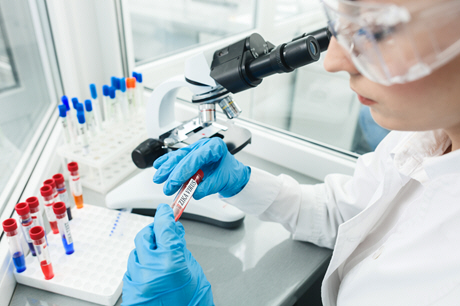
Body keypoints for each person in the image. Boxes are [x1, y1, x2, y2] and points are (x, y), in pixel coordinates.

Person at [122, 0, 460, 305]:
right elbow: (350, 214)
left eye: (379, 29)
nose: (333, 61)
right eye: (341, 25)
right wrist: (242, 184)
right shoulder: (424, 136)